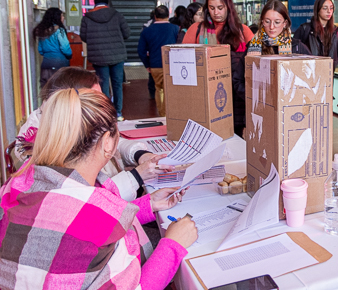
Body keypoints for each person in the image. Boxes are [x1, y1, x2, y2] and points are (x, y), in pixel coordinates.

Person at [0, 88, 197, 289]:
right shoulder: (98, 217)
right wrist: (173, 244)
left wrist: (149, 204)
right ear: (107, 143)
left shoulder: (18, 185)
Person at [10, 67, 172, 202]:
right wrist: (136, 176)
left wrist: (140, 154)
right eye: (95, 98)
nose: (102, 103)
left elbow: (113, 142)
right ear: (72, 100)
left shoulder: (60, 120)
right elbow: (84, 200)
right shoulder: (44, 142)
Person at [182, 0, 254, 138]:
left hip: (236, 104)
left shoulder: (243, 31)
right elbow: (183, 62)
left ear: (228, 7)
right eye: (212, 8)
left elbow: (255, 64)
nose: (216, 13)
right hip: (204, 101)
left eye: (220, 8)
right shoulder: (196, 30)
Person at [80, 0, 130, 121]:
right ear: (107, 2)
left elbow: (84, 37)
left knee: (103, 85)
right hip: (117, 54)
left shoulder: (87, 17)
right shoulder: (117, 15)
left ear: (95, 2)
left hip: (98, 55)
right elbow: (127, 33)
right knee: (117, 84)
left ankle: (106, 113)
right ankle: (118, 112)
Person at [138, 6, 179, 117]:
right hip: (172, 65)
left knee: (159, 89)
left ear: (155, 16)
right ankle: (171, 115)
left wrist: (147, 65)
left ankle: (162, 115)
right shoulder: (175, 29)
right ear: (168, 16)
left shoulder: (147, 31)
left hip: (155, 65)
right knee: (170, 90)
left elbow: (141, 51)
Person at [294, 0, 338, 71]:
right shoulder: (305, 29)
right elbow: (295, 52)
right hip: (308, 73)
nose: (329, 11)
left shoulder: (336, 31)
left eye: (331, 8)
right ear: (318, 10)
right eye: (325, 8)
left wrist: (331, 66)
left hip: (327, 73)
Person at [34, 7, 72, 87]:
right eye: (62, 16)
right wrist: (69, 55)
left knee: (46, 90)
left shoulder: (42, 31)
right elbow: (65, 48)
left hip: (46, 64)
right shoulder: (59, 31)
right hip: (59, 63)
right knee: (60, 89)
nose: (63, 18)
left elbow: (40, 50)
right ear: (57, 17)